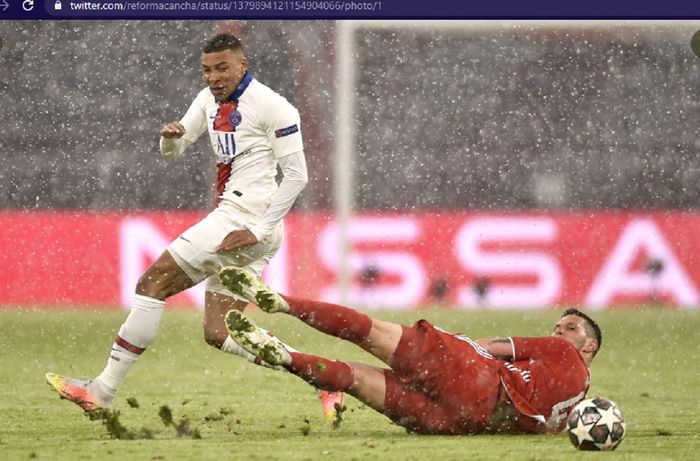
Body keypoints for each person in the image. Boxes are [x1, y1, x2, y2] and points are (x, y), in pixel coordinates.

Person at [46, 32, 343, 418]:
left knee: (151, 284)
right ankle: (324, 377)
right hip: (245, 224)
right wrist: (170, 139)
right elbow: (176, 149)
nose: (214, 77)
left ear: (242, 65)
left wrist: (261, 228)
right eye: (207, 70)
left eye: (222, 68)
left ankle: (102, 390)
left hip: (245, 219)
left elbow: (297, 176)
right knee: (219, 333)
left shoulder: (273, 106)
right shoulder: (207, 100)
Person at [217, 265, 602, 435]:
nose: (559, 331)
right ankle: (285, 356)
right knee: (354, 377)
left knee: (368, 330)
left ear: (590, 345)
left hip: (475, 378)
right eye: (558, 326)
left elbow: (493, 347)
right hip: (460, 426)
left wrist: (451, 343)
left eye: (570, 328)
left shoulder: (563, 352)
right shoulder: (568, 417)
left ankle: (281, 302)